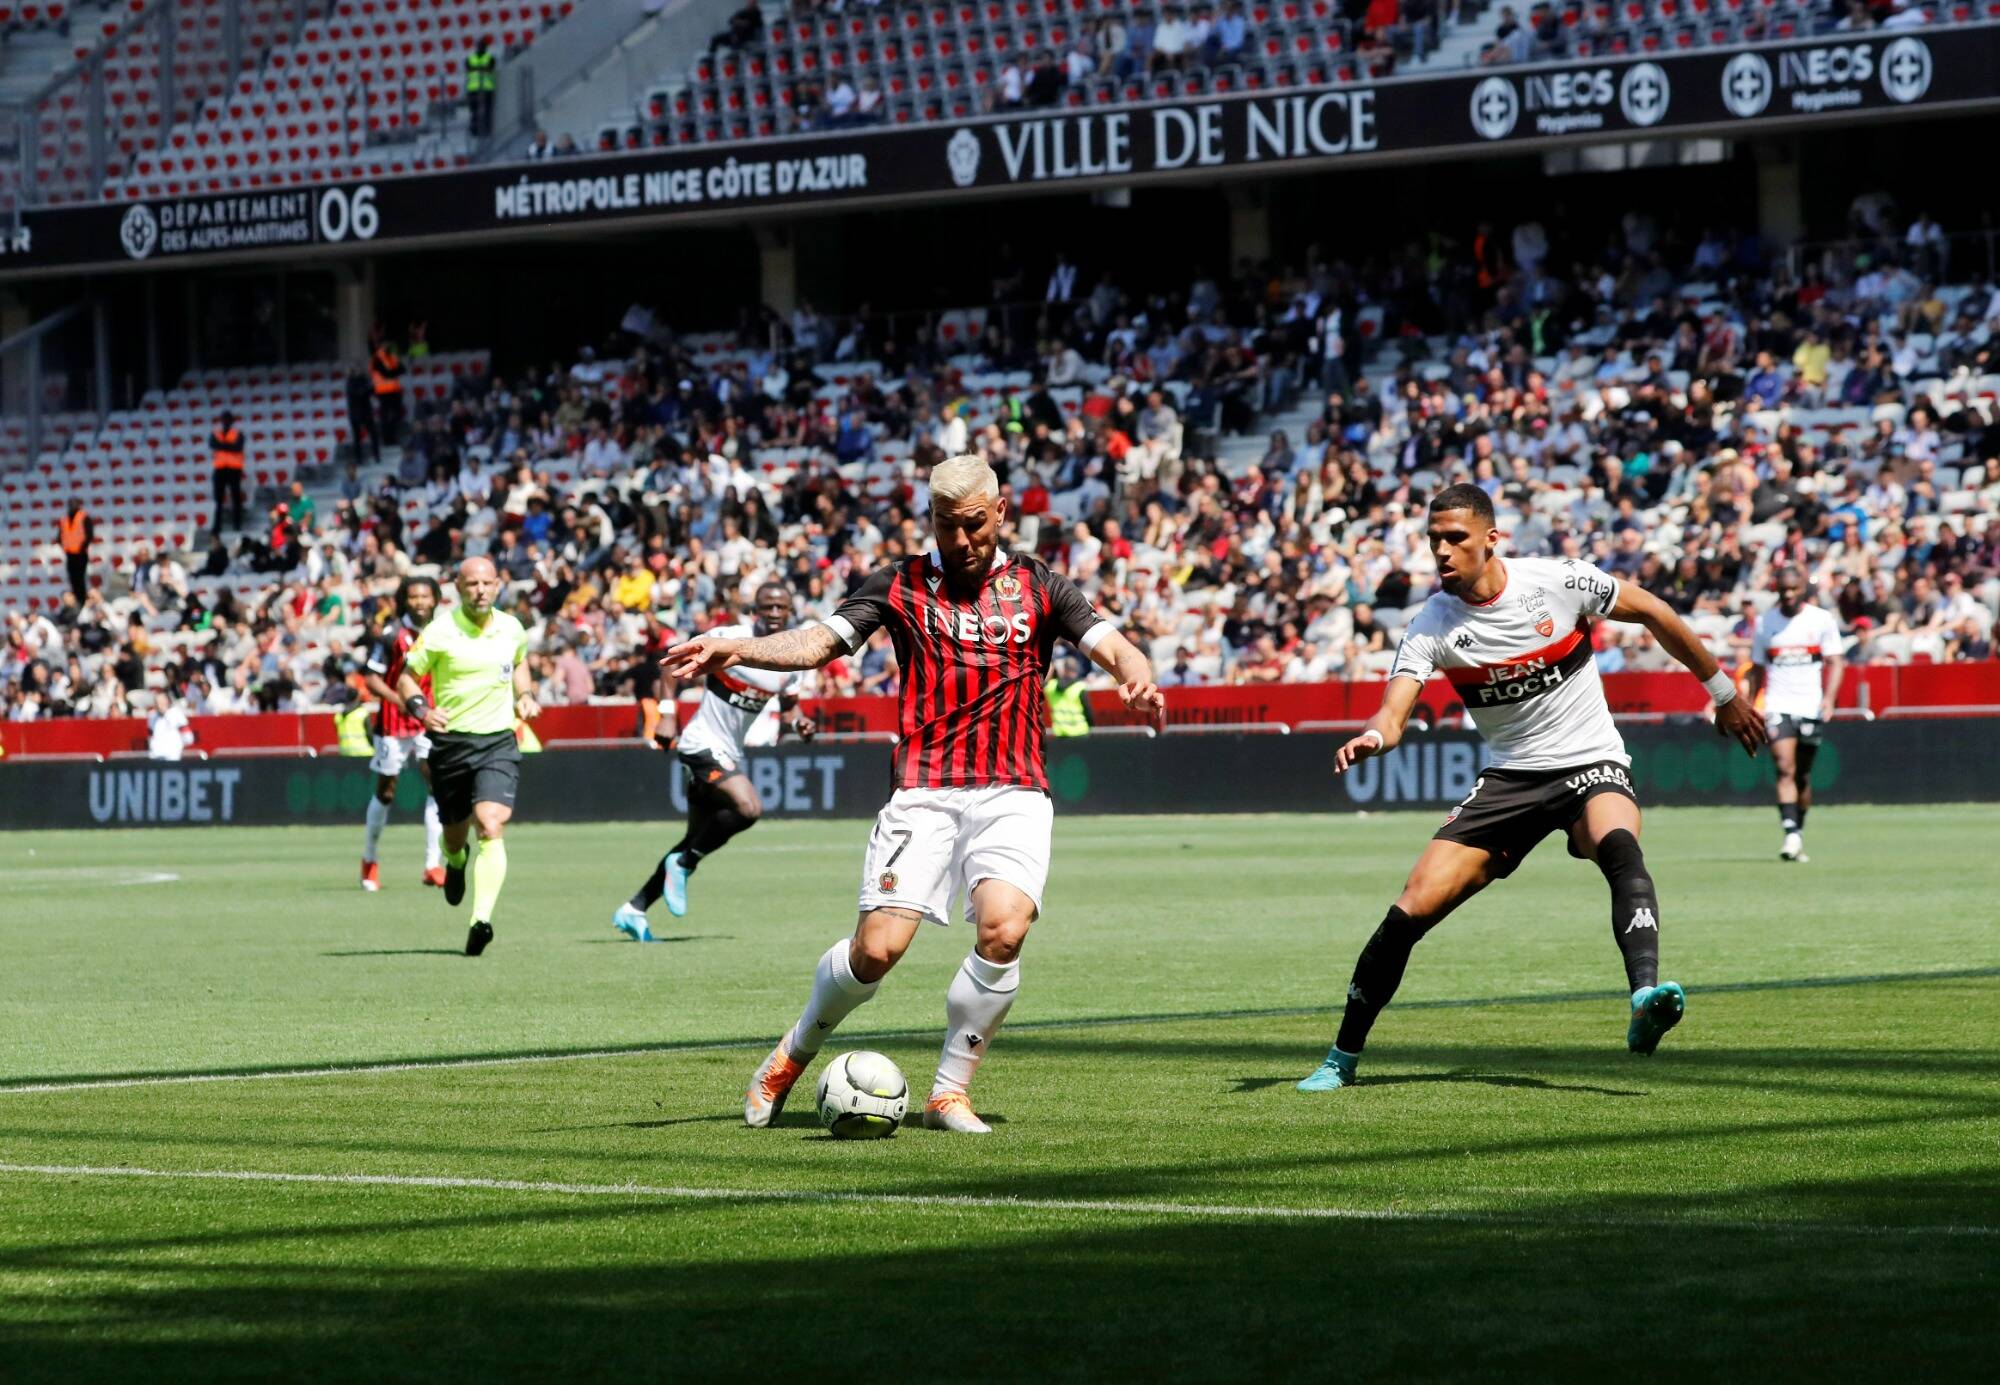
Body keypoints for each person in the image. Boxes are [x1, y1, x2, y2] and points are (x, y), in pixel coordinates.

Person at [665, 455, 1165, 1134]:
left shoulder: (1041, 585)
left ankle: (948, 1092)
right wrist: (736, 645)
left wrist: (1139, 677)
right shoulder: (900, 583)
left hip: (1014, 789)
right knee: (876, 951)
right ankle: (793, 1051)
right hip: (924, 790)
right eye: (944, 525)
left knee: (1005, 928)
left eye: (973, 525)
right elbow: (818, 642)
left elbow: (1116, 647)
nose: (959, 540)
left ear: (1000, 512)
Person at [1296, 484, 1767, 1092]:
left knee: (1618, 843)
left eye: (1455, 539)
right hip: (1511, 781)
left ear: (1492, 540)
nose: (1441, 551)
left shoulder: (1559, 581)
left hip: (1591, 761)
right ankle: (1341, 1058)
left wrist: (1724, 693)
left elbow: (1652, 609)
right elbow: (1392, 717)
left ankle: (1644, 998)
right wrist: (1375, 737)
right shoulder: (1431, 625)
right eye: (1433, 540)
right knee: (1410, 908)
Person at [612, 581, 818, 942]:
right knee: (748, 807)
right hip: (700, 744)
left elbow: (789, 709)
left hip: (728, 751)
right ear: (754, 611)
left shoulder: (791, 659)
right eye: (766, 606)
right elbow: (671, 664)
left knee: (694, 840)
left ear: (789, 613)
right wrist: (667, 713)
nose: (773, 613)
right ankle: (684, 864)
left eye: (780, 608)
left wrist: (799, 723)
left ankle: (634, 909)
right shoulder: (729, 638)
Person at [396, 558, 541, 957]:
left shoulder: (512, 627)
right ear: (457, 588)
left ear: (498, 586)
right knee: (456, 833)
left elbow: (521, 662)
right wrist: (421, 709)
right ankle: (455, 861)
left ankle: (481, 920)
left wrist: (525, 695)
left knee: (490, 824)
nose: (480, 590)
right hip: (452, 745)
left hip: (498, 741)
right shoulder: (440, 631)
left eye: (487, 583)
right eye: (471, 583)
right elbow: (406, 678)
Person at [1746, 569, 1844, 863]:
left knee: (1802, 774)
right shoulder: (1766, 623)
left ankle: (1797, 830)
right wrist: (1751, 705)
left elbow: (1836, 661)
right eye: (1783, 591)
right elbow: (1758, 668)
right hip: (1778, 703)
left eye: (1793, 590)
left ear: (1803, 589)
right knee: (1784, 767)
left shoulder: (1821, 620)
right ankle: (1789, 834)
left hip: (1810, 705)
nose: (1788, 595)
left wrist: (1829, 698)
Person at [358, 577, 447, 892]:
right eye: (414, 597)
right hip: (393, 721)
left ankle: (432, 864)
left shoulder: (445, 632)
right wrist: (403, 701)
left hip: (431, 719)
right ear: (404, 600)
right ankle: (369, 859)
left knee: (435, 781)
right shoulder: (390, 636)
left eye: (426, 596)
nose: (420, 602)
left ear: (435, 599)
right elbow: (371, 679)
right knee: (387, 791)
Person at [210, 411, 246, 533]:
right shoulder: (216, 433)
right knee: (218, 499)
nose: (226, 422)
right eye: (224, 419)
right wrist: (229, 446)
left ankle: (237, 525)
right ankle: (217, 526)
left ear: (231, 421)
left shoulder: (238, 434)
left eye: (228, 419)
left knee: (236, 498)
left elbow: (238, 447)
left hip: (234, 470)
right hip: (220, 469)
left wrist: (222, 446)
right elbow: (213, 444)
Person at [371, 337, 406, 447]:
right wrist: (394, 372)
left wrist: (393, 372)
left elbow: (402, 369)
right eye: (386, 344)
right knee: (385, 416)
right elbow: (387, 373)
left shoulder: (392, 356)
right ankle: (387, 439)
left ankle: (392, 437)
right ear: (381, 345)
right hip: (383, 392)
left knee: (398, 413)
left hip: (395, 391)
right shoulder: (377, 358)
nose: (388, 346)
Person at [57, 497, 93, 602]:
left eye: (74, 504)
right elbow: (60, 536)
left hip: (81, 554)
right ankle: (76, 600)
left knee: (81, 579)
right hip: (70, 554)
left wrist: (82, 548)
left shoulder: (84, 517)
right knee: (72, 580)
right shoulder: (64, 519)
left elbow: (89, 535)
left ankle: (83, 600)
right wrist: (65, 547)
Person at [464, 35, 496, 138]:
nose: (481, 47)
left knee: (487, 111)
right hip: (473, 88)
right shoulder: (470, 58)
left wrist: (476, 68)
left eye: (482, 46)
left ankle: (487, 130)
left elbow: (489, 68)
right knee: (474, 111)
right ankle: (475, 131)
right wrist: (482, 68)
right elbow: (470, 68)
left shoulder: (490, 58)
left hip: (487, 88)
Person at [147, 690, 192, 762]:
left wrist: (176, 746)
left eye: (161, 702)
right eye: (157, 702)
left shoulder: (177, 714)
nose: (159, 705)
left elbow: (188, 738)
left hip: (172, 757)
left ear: (167, 702)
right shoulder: (151, 717)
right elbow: (150, 738)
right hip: (155, 757)